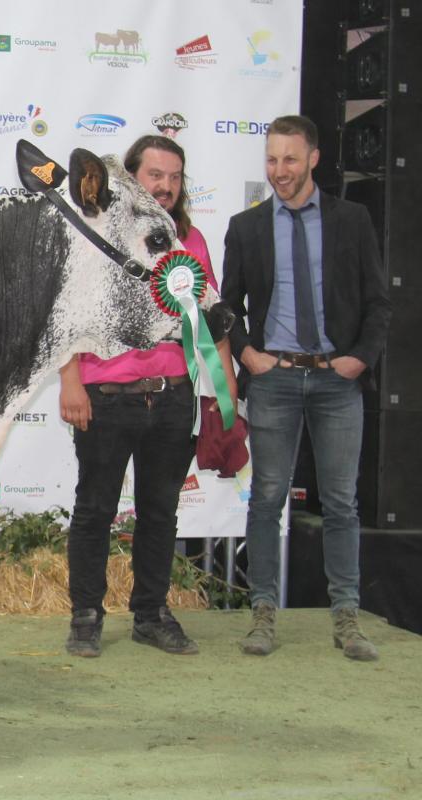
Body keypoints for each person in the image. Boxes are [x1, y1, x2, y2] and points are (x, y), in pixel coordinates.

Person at [60, 134, 237, 658]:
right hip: (107, 393)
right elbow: (67, 312)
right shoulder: (98, 236)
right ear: (132, 177)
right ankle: (86, 616)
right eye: (154, 175)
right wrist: (71, 382)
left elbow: (211, 325)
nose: (164, 186)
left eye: (174, 177)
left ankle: (151, 613)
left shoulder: (191, 242)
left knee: (160, 511)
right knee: (95, 509)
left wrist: (220, 401)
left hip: (174, 395)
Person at [220, 115, 391, 661]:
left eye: (290, 160)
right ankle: (263, 613)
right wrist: (248, 354)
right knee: (266, 499)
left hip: (337, 382)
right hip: (275, 383)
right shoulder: (245, 228)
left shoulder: (353, 219)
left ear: (313, 158)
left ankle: (347, 617)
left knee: (341, 502)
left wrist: (359, 359)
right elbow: (227, 308)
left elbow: (377, 304)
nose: (279, 171)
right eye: (271, 160)